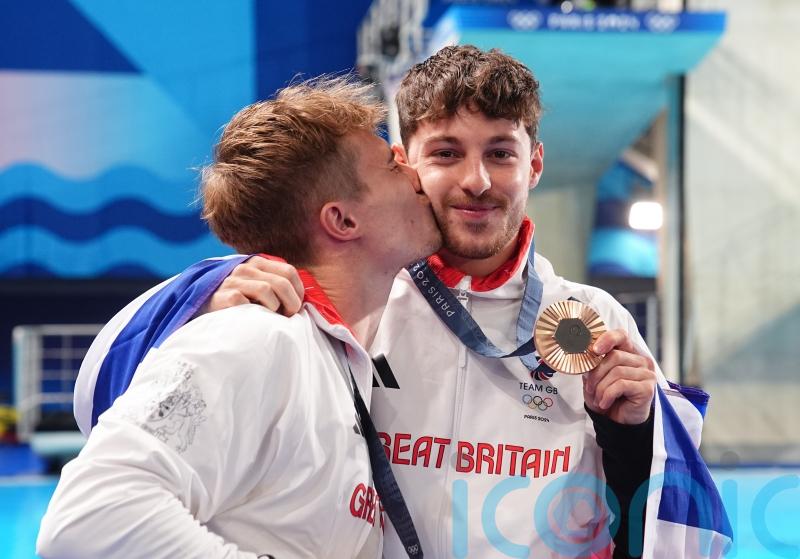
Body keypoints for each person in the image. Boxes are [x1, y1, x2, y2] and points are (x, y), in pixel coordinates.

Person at [73, 46, 731, 558]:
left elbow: (663, 519)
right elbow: (115, 416)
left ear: (533, 165)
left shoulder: (595, 322)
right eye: (446, 153)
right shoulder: (313, 311)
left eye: (501, 153)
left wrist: (634, 432)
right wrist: (198, 297)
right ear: (408, 163)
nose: (478, 181)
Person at [37, 77, 442, 559]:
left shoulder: (330, 355)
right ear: (343, 220)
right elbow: (88, 519)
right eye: (388, 165)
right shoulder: (253, 338)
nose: (411, 169)